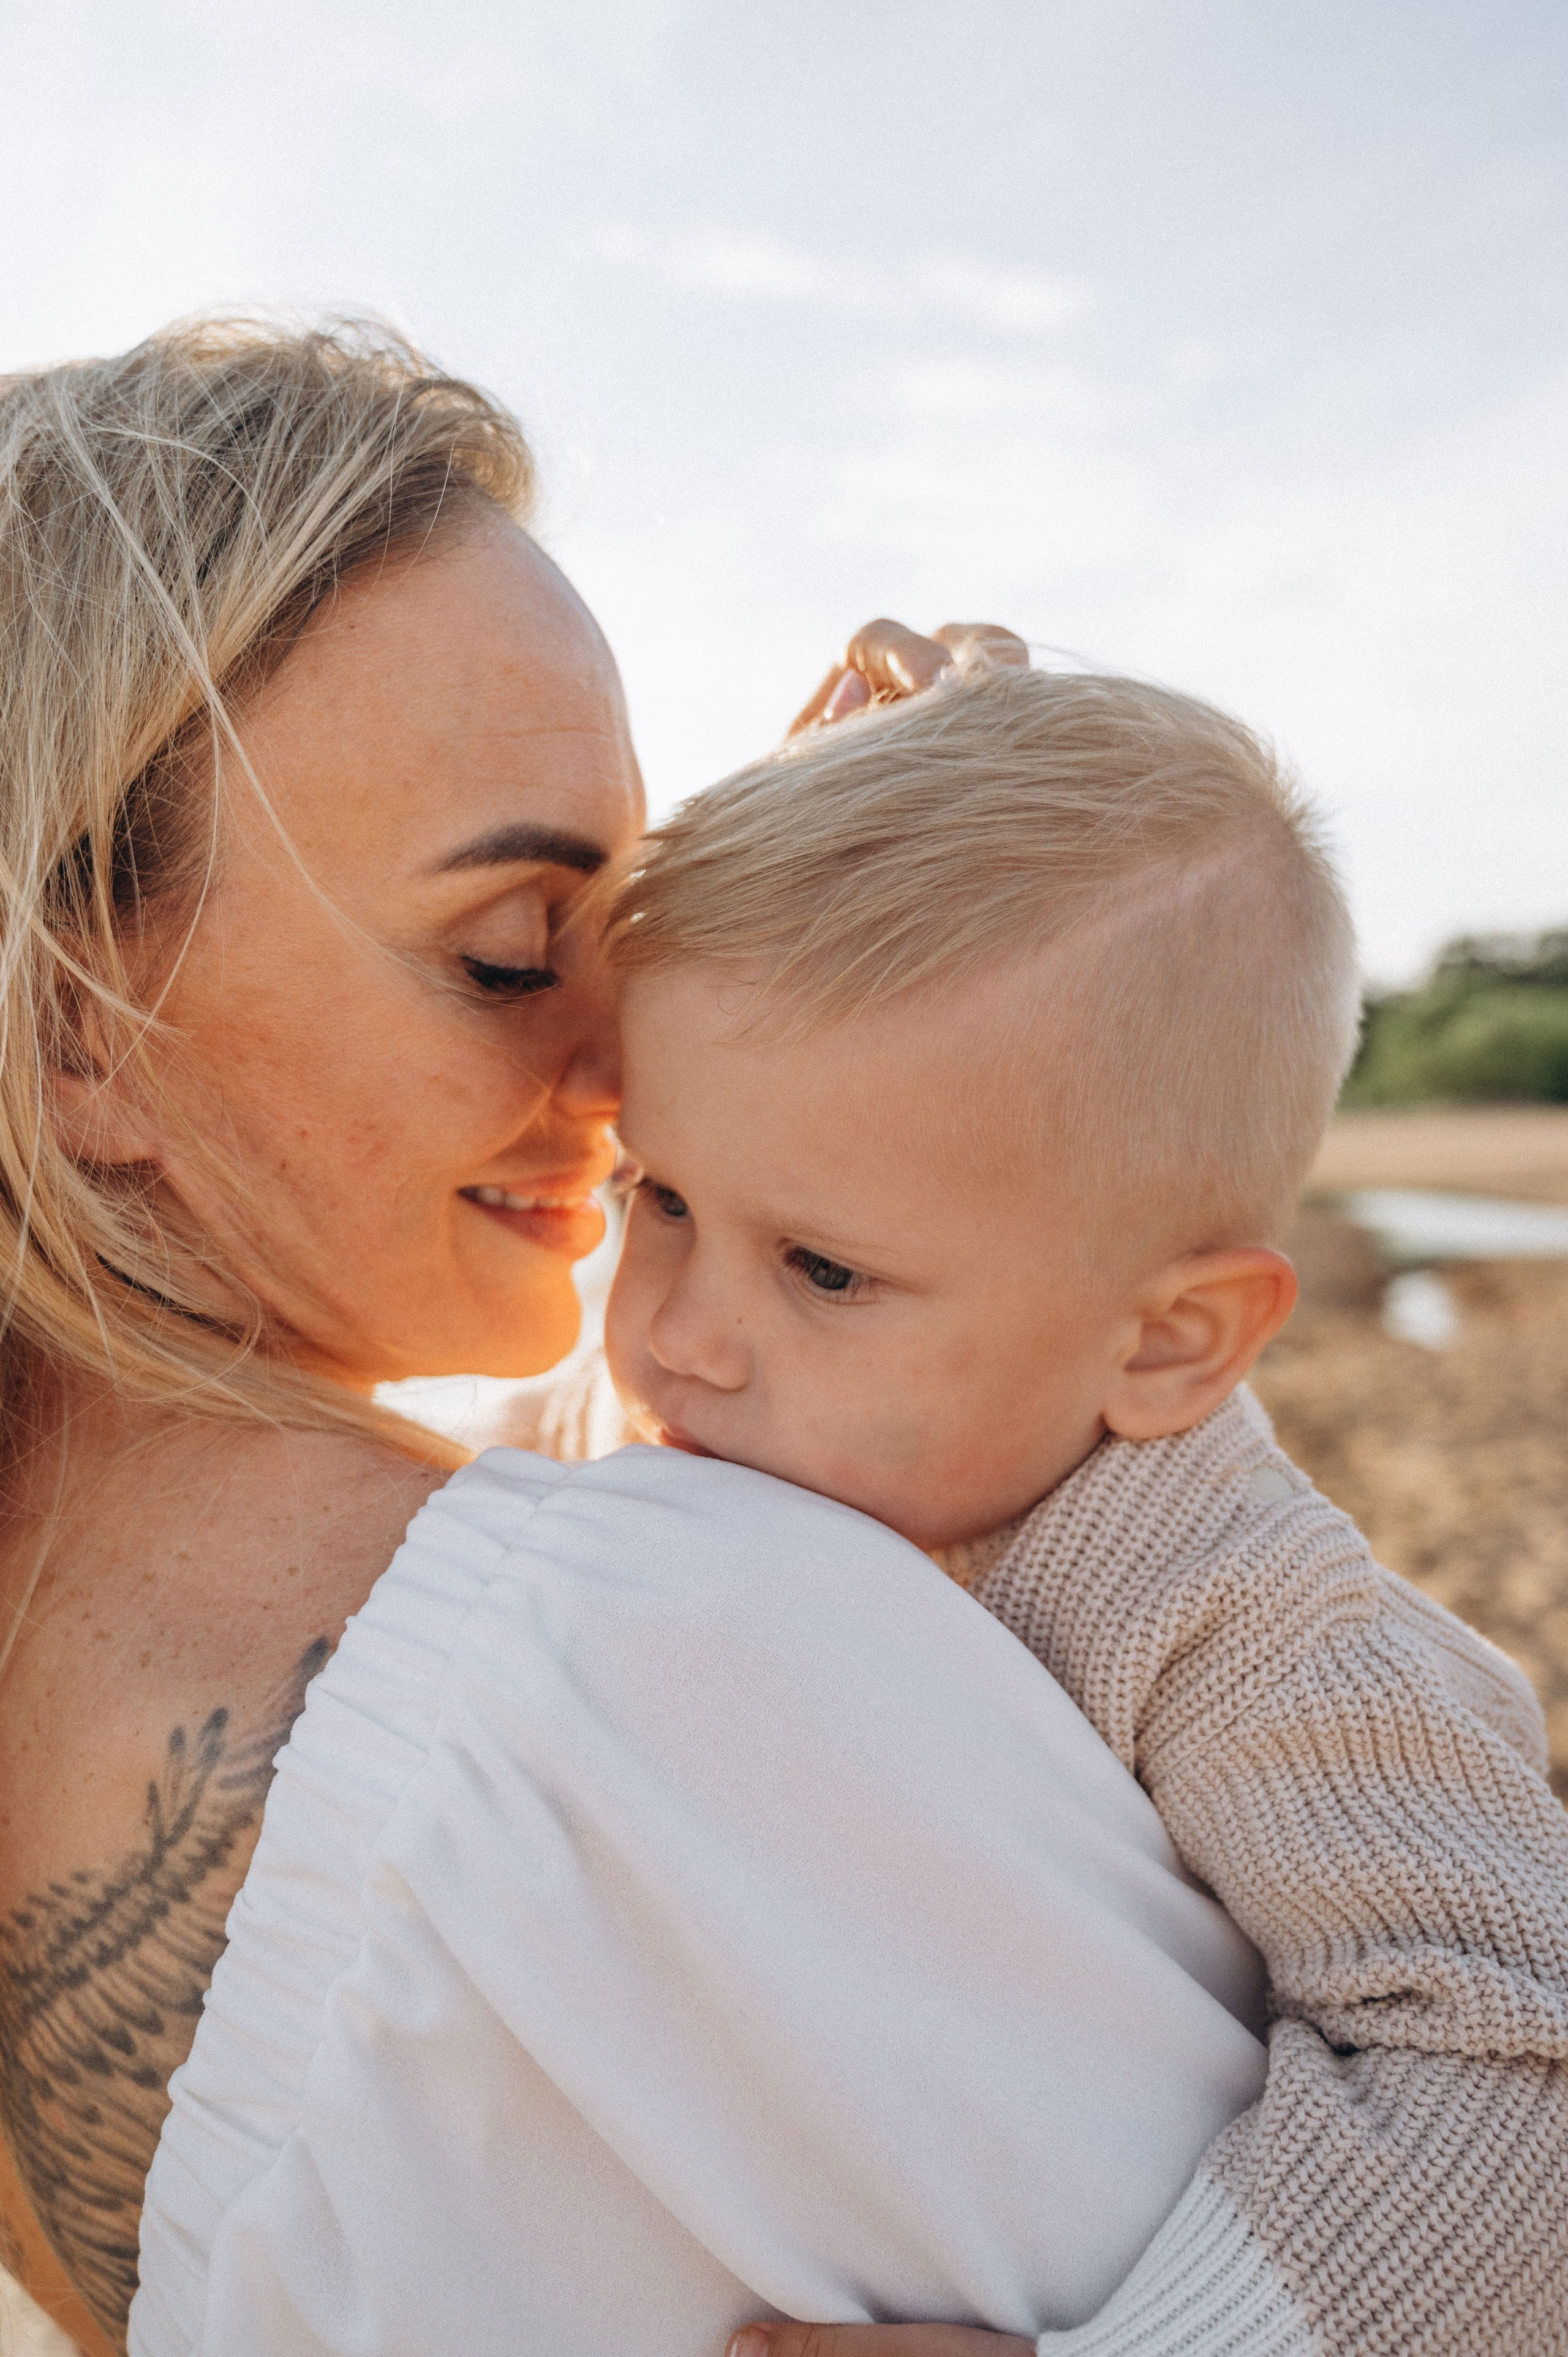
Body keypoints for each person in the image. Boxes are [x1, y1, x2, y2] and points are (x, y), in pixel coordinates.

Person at [0, 315, 1253, 2357]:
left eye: (643, 934)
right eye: (507, 956)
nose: (636, 1062)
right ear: (75, 1024)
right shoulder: (631, 1663)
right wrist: (1083, 1251)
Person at [587, 667, 1568, 2355]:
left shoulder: (1236, 1623)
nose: (674, 1329)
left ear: (1167, 1342)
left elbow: (1519, 2080)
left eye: (823, 1267)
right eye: (656, 1195)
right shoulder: (822, 1426)